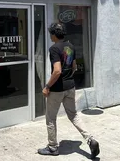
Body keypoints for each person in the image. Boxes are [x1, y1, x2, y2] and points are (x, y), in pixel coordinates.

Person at [38, 23, 100, 158]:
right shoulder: (70, 46)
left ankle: (53, 147)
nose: (50, 35)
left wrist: (47, 86)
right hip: (70, 86)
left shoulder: (54, 49)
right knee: (73, 115)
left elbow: (57, 70)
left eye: (51, 33)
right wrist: (68, 79)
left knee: (50, 118)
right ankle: (90, 139)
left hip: (57, 89)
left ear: (54, 35)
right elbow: (74, 67)